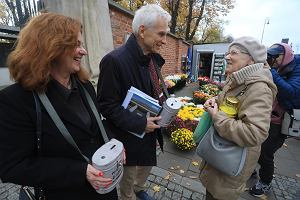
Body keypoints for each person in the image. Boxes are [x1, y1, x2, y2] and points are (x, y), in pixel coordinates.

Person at [0, 13, 118, 200]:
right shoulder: (16, 100)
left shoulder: (85, 85)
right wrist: (79, 172)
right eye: (76, 45)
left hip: (104, 190)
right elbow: (12, 167)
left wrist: (113, 144)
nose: (84, 51)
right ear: (51, 47)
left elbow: (96, 128)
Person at [97, 4, 171, 200]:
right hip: (128, 140)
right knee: (127, 183)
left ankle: (139, 188)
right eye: (161, 34)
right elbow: (106, 105)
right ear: (142, 30)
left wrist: (167, 105)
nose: (164, 41)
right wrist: (140, 123)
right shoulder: (113, 61)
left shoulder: (152, 57)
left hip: (151, 133)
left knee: (145, 169)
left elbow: (153, 89)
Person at [201, 36, 277, 200]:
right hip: (220, 154)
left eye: (233, 53)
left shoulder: (259, 89)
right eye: (228, 52)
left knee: (217, 195)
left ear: (251, 60)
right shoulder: (238, 78)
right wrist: (215, 100)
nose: (227, 56)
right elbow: (229, 102)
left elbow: (255, 134)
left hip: (231, 161)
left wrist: (217, 117)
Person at [249, 43, 300, 197]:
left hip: (280, 121)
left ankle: (265, 182)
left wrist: (271, 71)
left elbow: (291, 92)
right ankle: (250, 168)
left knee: (266, 152)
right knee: (253, 143)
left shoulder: (297, 68)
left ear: (286, 55)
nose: (273, 59)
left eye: (276, 56)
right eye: (271, 56)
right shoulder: (278, 67)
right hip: (266, 115)